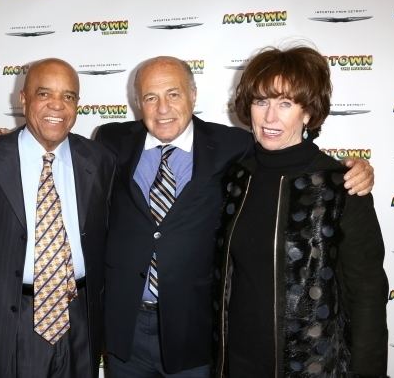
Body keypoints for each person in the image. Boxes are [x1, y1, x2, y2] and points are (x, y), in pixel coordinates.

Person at [92, 56, 375, 378]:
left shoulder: (233, 146)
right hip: (131, 333)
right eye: (150, 97)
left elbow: (291, 155)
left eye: (173, 94)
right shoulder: (110, 141)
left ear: (193, 95)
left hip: (200, 335)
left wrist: (356, 169)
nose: (163, 108)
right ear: (137, 102)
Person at [213, 46, 388, 377]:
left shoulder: (340, 185)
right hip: (237, 362)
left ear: (307, 112)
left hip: (312, 366)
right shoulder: (236, 177)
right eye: (261, 101)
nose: (270, 117)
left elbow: (367, 295)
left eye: (285, 104)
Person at [0, 58, 116, 378]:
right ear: (23, 98)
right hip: (12, 321)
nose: (57, 106)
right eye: (44, 94)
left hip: (80, 319)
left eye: (69, 96)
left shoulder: (100, 160)